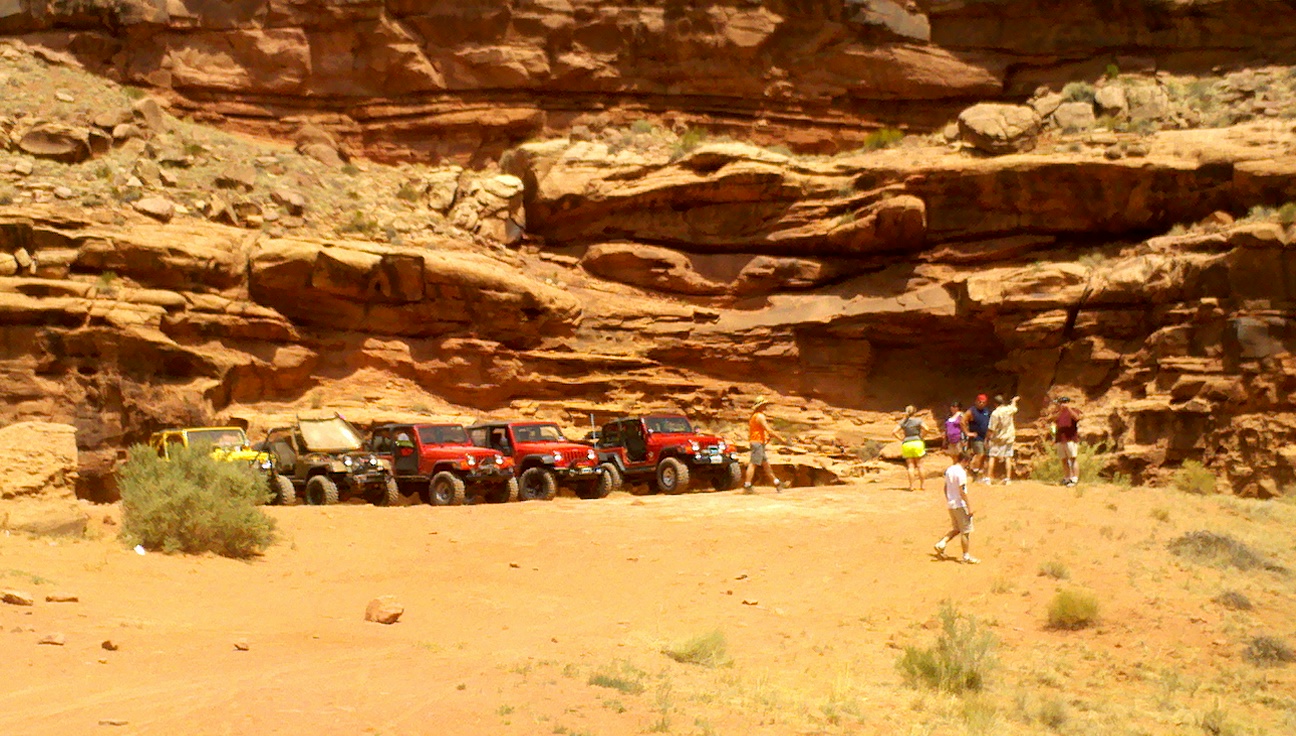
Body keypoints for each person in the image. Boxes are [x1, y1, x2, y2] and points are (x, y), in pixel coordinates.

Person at [933, 446, 978, 564]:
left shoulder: (950, 470)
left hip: (951, 504)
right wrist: (969, 507)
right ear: (965, 461)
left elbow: (945, 487)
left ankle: (942, 543)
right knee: (965, 531)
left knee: (957, 529)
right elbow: (962, 491)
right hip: (960, 505)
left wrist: (949, 499)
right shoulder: (961, 473)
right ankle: (966, 556)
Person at [743, 396, 786, 493]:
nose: (765, 406)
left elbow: (759, 430)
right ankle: (747, 485)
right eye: (764, 405)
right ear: (760, 405)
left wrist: (765, 438)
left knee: (766, 465)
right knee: (753, 464)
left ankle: (776, 483)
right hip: (757, 443)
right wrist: (781, 439)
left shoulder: (754, 416)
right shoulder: (760, 416)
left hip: (758, 442)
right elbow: (768, 430)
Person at [985, 394, 1020, 485]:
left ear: (995, 404)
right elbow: (1014, 407)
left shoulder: (995, 413)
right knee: (1008, 457)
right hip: (1009, 437)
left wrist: (987, 439)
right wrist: (1014, 401)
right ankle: (1008, 479)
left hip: (997, 438)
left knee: (992, 456)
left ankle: (988, 478)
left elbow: (991, 428)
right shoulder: (1009, 409)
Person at [1048, 396, 1083, 486]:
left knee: (1073, 459)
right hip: (1060, 439)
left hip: (1070, 439)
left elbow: (1077, 418)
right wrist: (1060, 411)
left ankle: (1074, 478)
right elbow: (1053, 420)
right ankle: (1067, 478)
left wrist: (1068, 409)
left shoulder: (1074, 410)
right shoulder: (1058, 413)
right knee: (1064, 459)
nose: (1061, 405)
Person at [893, 405, 927, 492]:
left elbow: (894, 432)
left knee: (910, 466)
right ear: (915, 412)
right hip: (917, 443)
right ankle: (922, 486)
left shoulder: (903, 422)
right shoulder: (918, 420)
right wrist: (922, 436)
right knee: (920, 465)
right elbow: (926, 429)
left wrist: (901, 439)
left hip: (907, 443)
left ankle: (911, 486)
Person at [964, 394, 992, 482]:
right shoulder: (972, 411)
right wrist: (967, 433)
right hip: (976, 437)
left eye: (983, 402)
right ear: (976, 401)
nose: (981, 404)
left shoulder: (986, 411)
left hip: (985, 437)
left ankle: (981, 473)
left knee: (985, 456)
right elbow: (962, 421)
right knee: (980, 454)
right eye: (980, 402)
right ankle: (974, 472)